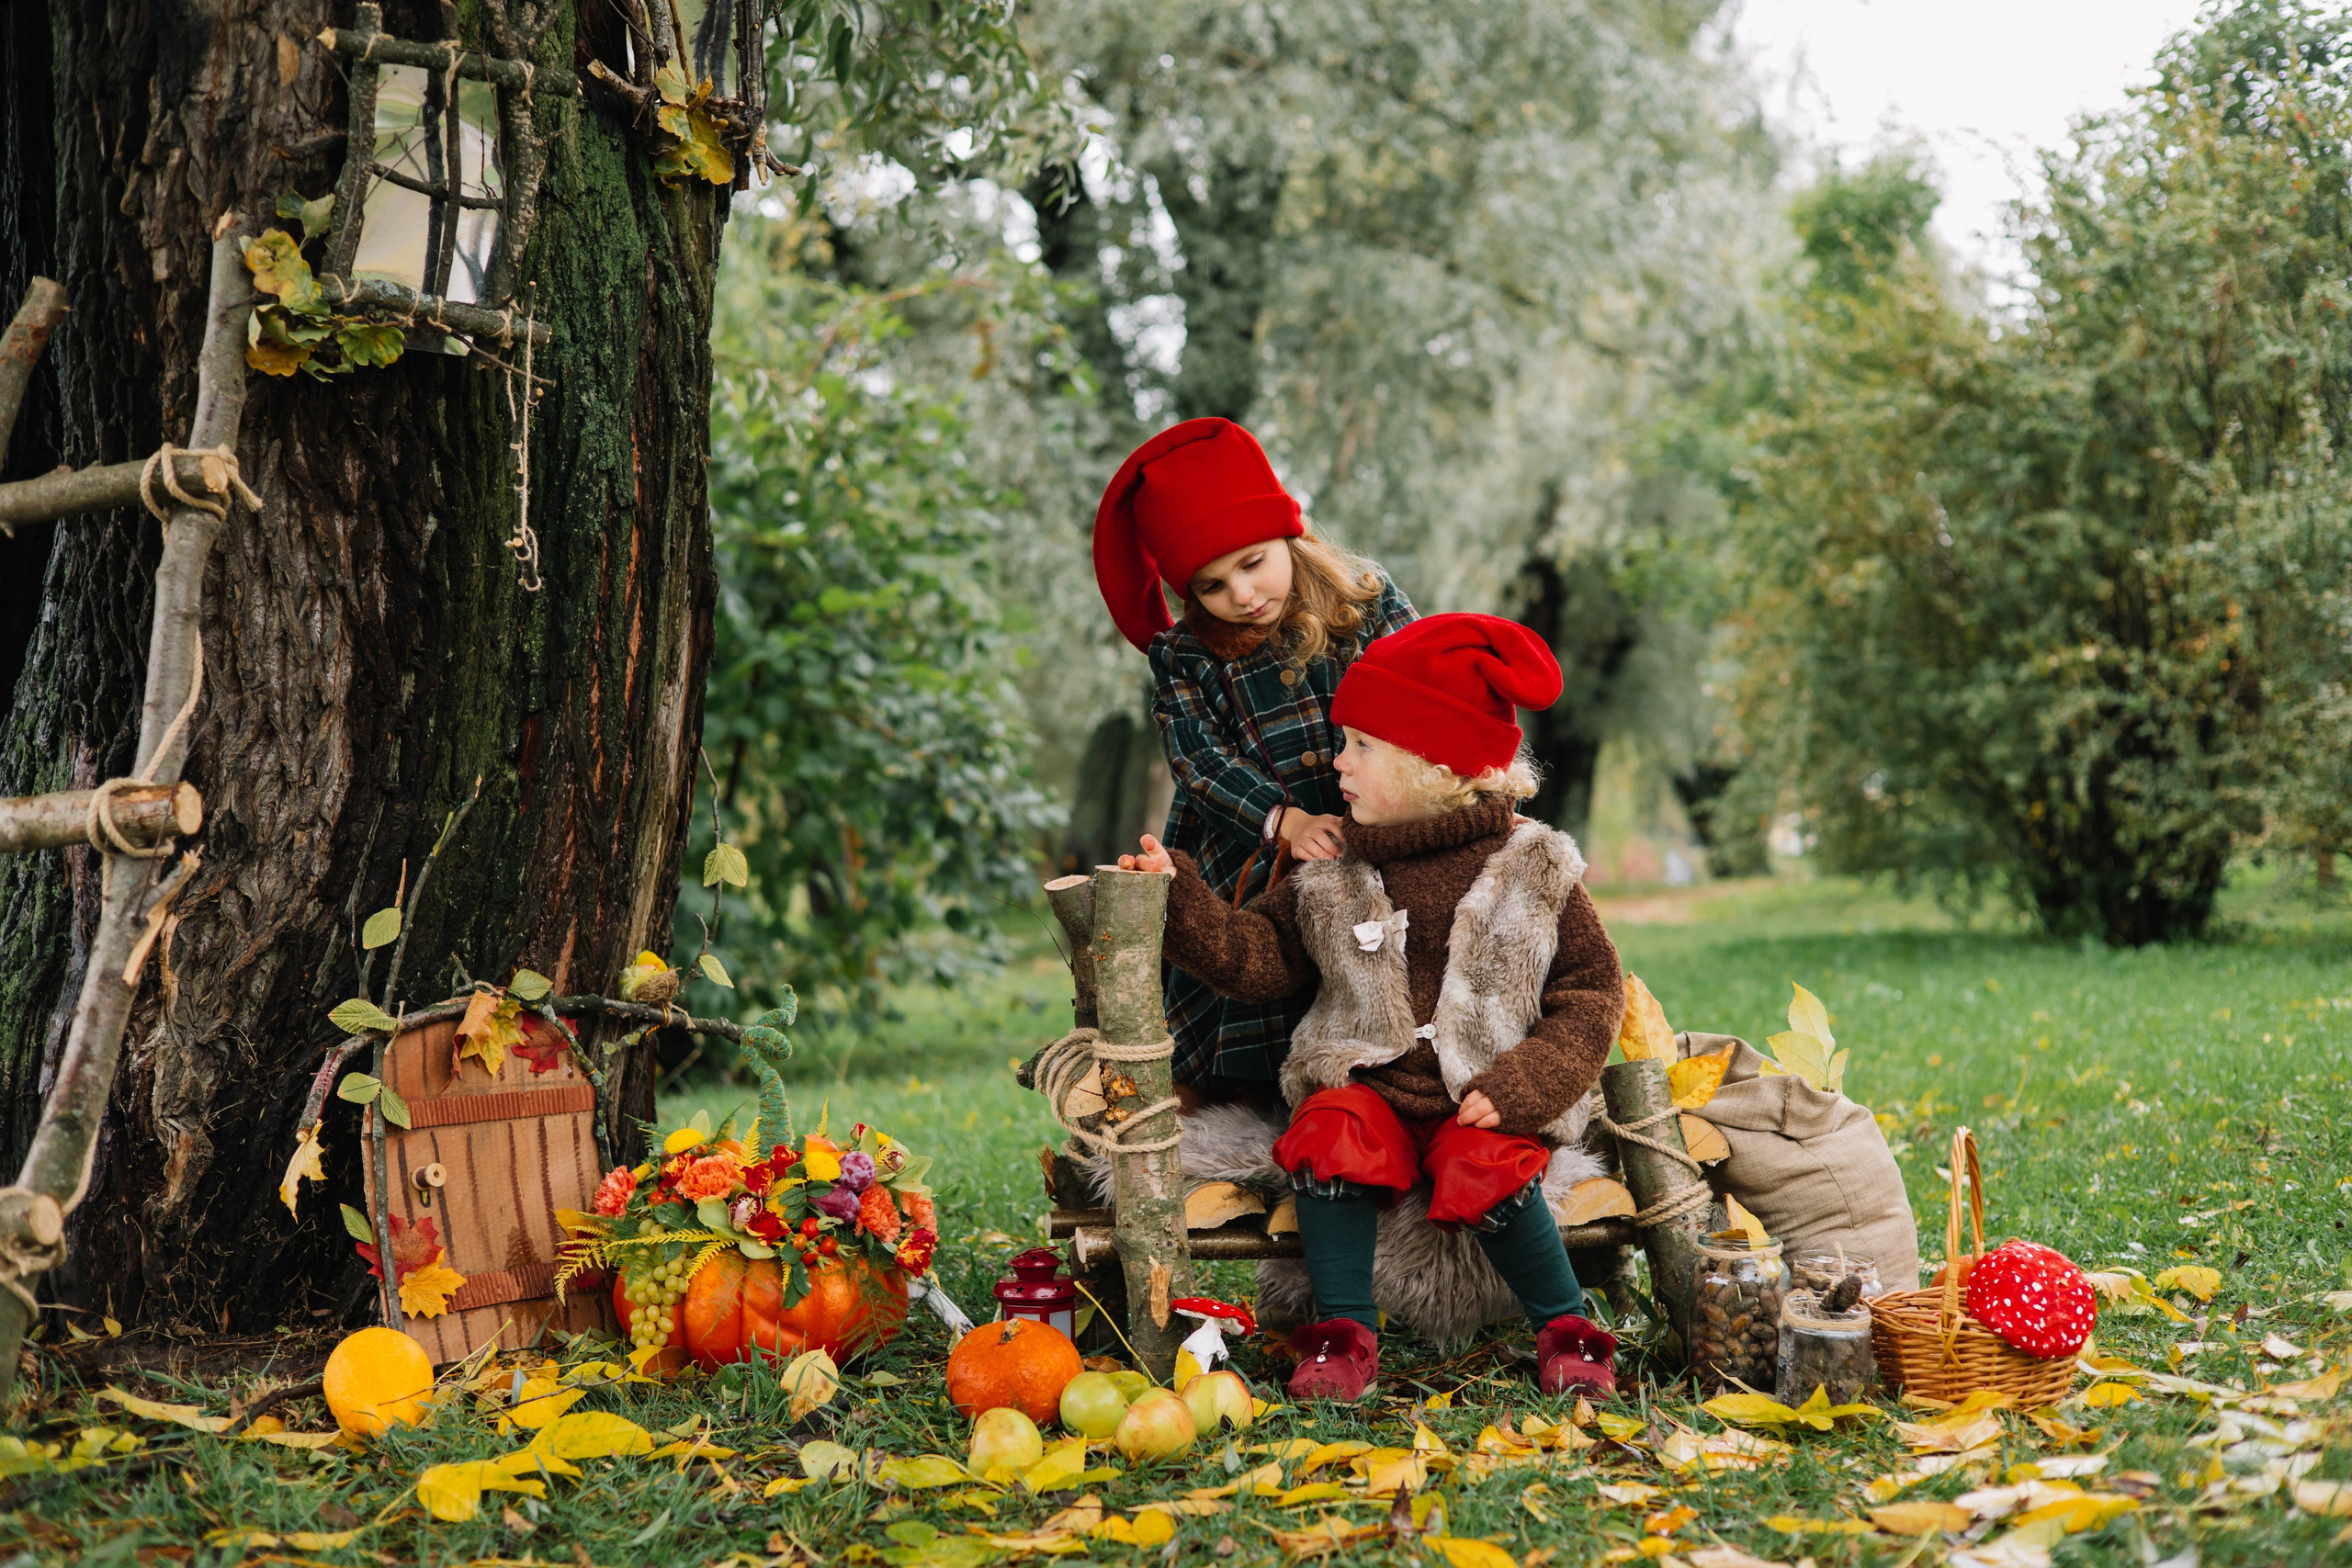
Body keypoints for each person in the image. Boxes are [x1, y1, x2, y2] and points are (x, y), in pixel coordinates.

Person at [1119, 614, 1624, 1401]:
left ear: (1437, 762)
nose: (1336, 760)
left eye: (1361, 745)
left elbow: (1591, 996)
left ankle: (1565, 1327)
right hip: (1373, 1087)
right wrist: (1180, 900)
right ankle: (1342, 1336)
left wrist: (1527, 1084)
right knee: (1329, 1129)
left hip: (1481, 1093)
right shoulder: (1334, 871)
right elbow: (1259, 958)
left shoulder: (1532, 866)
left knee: (1487, 1160)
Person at [1094, 418, 1416, 1094]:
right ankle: (1255, 1100)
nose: (1241, 595)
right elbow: (1199, 760)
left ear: (1287, 535)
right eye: (1211, 585)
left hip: (1378, 819)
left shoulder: (1364, 600)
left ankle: (1399, 1075)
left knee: (1406, 944)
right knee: (1251, 958)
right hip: (1249, 840)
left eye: (1251, 563)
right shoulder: (1185, 655)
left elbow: (1419, 698)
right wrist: (1285, 822)